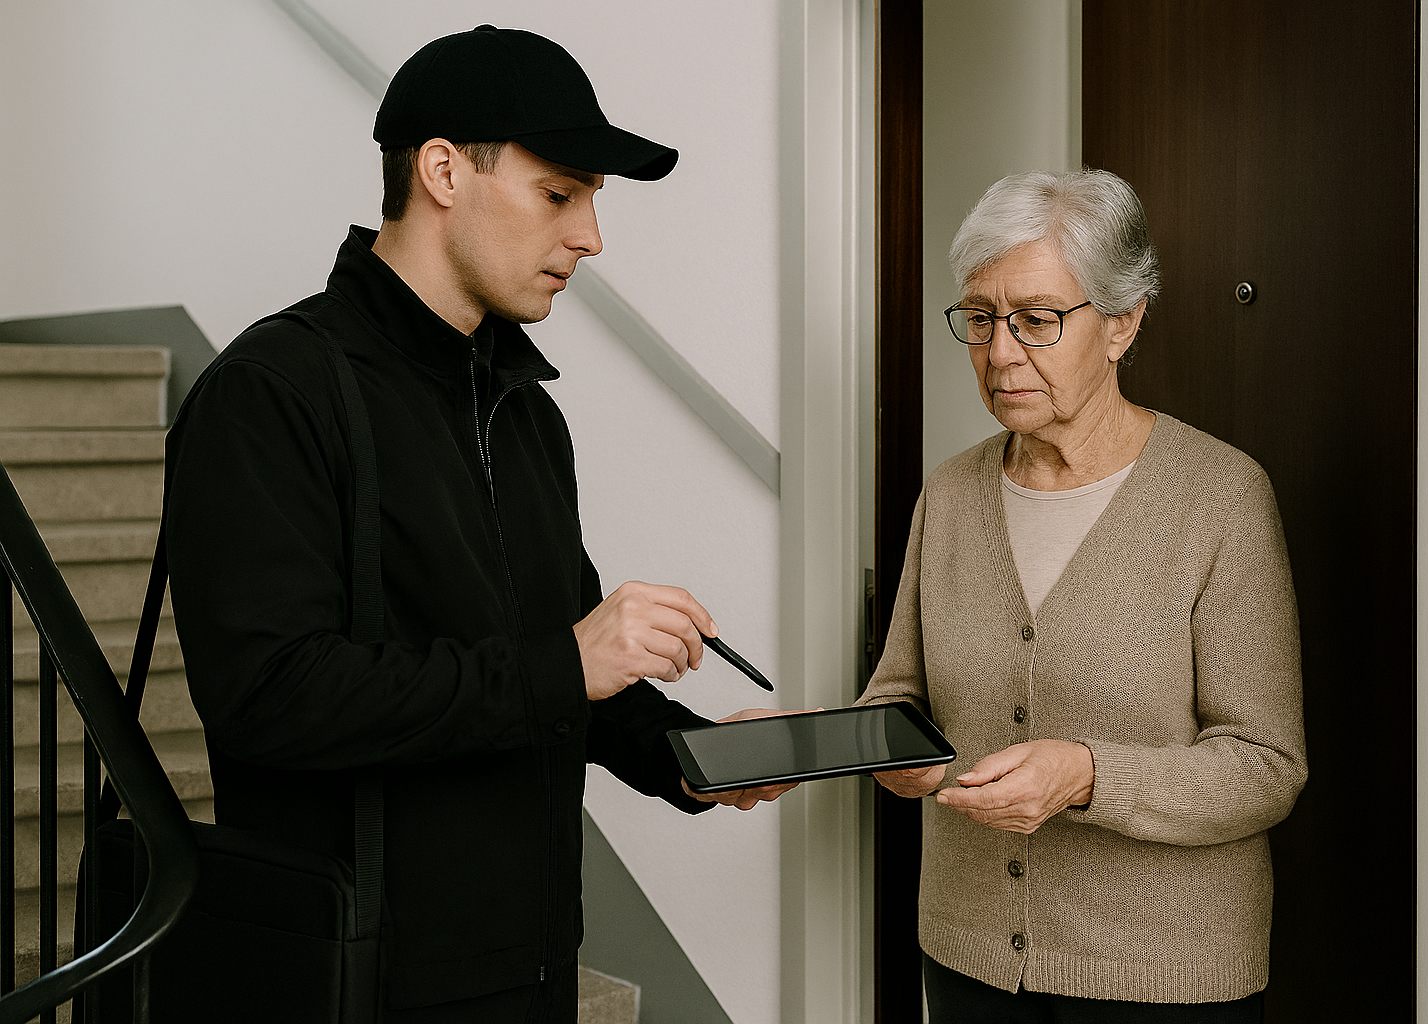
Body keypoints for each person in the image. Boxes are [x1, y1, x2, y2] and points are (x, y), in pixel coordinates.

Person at [164, 26, 792, 1023]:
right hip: (363, 979)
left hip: (530, 967)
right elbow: (269, 697)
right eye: (560, 194)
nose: (592, 236)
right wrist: (565, 661)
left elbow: (559, 673)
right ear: (444, 171)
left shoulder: (525, 410)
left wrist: (691, 758)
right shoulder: (271, 392)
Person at [856, 169, 1307, 1022]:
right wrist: (883, 749)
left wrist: (1088, 776)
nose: (999, 353)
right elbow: (897, 695)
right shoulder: (949, 494)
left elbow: (1266, 767)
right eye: (980, 319)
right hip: (970, 959)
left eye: (1036, 320)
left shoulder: (1220, 498)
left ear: (1122, 323)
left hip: (1164, 975)